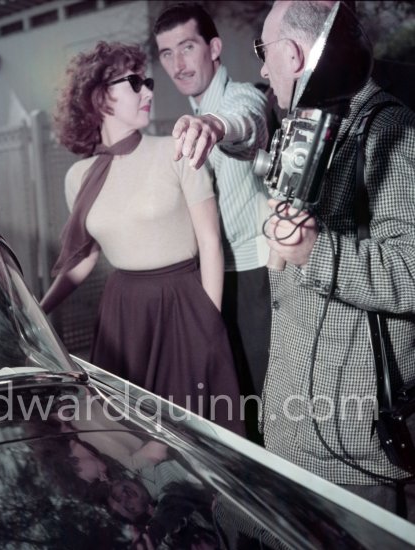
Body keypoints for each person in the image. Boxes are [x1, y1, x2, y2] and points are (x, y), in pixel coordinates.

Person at [257, 0, 415, 520]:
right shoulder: (313, 127)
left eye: (264, 51)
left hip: (353, 456)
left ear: (295, 54)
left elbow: (410, 272)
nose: (261, 68)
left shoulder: (389, 129)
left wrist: (314, 250)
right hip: (296, 431)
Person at [41, 41, 244, 435]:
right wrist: (36, 310)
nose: (149, 91)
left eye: (147, 81)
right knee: (127, 438)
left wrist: (208, 322)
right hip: (122, 314)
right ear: (100, 97)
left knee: (190, 439)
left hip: (183, 306)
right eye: (135, 83)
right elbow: (83, 260)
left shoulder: (177, 150)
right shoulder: (78, 178)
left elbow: (210, 244)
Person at [154, 3, 272, 442]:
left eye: (187, 47)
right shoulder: (185, 120)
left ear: (214, 48)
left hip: (255, 279)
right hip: (212, 280)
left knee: (265, 407)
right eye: (166, 54)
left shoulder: (241, 97)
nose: (177, 64)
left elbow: (247, 118)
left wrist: (214, 124)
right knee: (232, 406)